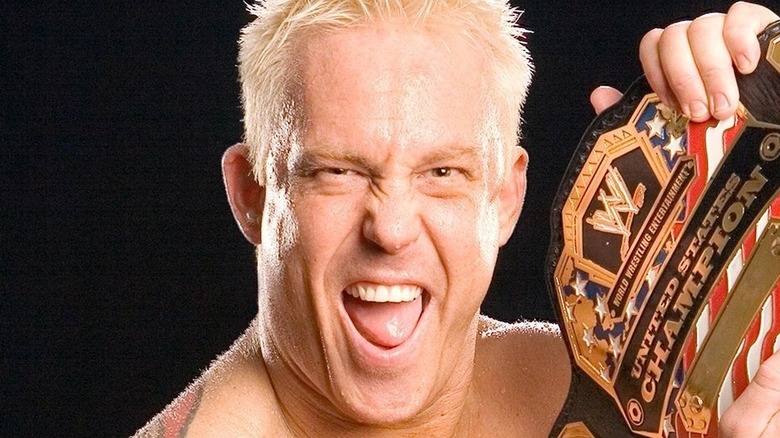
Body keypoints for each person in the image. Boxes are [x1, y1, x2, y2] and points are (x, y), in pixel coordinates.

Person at [136, 1, 780, 436]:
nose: (389, 229)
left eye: (443, 174)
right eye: (337, 172)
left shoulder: (611, 385)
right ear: (252, 193)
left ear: (505, 198)